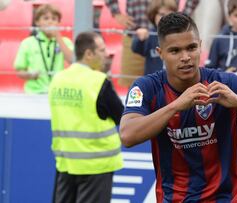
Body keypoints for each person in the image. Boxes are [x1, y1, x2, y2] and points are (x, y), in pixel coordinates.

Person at [120, 12, 237, 202]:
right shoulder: (147, 88)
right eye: (175, 51)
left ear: (200, 46)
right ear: (161, 53)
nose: (185, 57)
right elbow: (127, 135)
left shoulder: (226, 83)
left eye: (191, 48)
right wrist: (176, 106)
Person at [48, 31, 124, 203]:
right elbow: (121, 115)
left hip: (66, 163)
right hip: (96, 164)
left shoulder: (58, 79)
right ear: (89, 54)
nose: (106, 55)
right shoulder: (97, 81)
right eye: (102, 50)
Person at [103, 0, 200, 87]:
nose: (164, 17)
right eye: (161, 15)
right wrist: (116, 13)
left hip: (171, 36)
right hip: (134, 33)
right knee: (133, 86)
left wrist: (180, 19)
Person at [14, 4, 73, 94]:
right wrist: (30, 75)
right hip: (34, 93)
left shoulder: (65, 41)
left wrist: (58, 37)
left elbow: (72, 60)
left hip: (57, 93)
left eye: (54, 19)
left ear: (58, 23)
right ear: (37, 22)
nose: (50, 22)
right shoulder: (28, 43)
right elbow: (19, 71)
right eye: (46, 18)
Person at [131, 0, 177, 75]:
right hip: (153, 82)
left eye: (170, 15)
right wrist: (140, 39)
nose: (166, 18)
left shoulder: (179, 35)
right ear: (153, 15)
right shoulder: (149, 34)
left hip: (173, 80)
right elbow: (136, 48)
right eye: (162, 14)